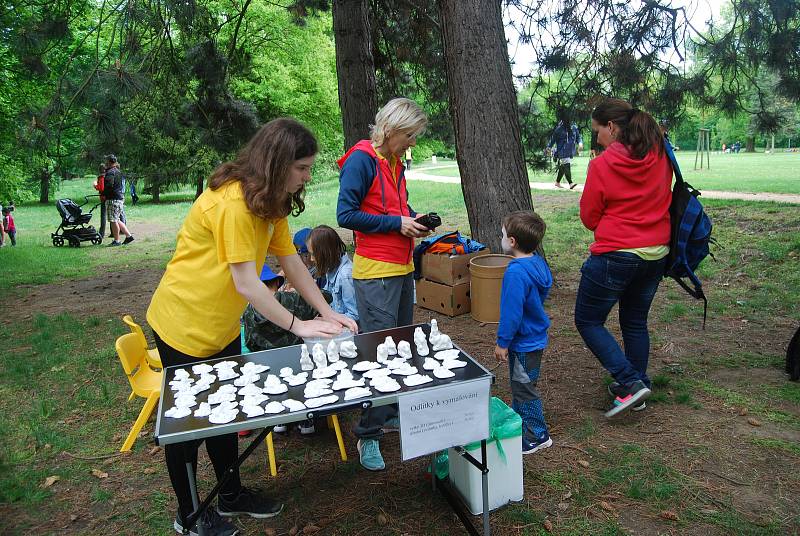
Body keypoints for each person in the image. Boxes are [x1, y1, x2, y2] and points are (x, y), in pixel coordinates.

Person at [146, 118, 358, 536]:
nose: (307, 177)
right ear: (278, 163)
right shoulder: (233, 204)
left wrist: (327, 313)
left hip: (220, 326)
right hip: (183, 325)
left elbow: (291, 263)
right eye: (302, 168)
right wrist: (299, 325)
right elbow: (247, 282)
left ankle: (230, 494)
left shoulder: (270, 201)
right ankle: (188, 515)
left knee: (226, 415)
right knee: (189, 426)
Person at [336, 97, 430, 471]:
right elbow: (346, 214)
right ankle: (367, 435)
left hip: (402, 265)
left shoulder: (393, 162)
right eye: (409, 135)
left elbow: (392, 207)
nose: (413, 143)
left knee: (400, 344)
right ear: (390, 130)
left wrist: (412, 217)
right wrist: (396, 224)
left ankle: (388, 411)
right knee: (377, 353)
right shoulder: (361, 159)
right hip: (375, 271)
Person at [574, 98, 672, 419]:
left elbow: (589, 218)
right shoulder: (660, 154)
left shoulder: (602, 165)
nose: (596, 138)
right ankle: (638, 389)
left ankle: (630, 382)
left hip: (616, 255)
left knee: (588, 320)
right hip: (656, 253)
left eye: (597, 131)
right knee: (634, 321)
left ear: (612, 127)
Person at [494, 211, 553, 454]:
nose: (501, 237)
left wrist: (502, 342)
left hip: (523, 342)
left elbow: (511, 313)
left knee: (524, 388)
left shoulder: (516, 272)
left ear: (512, 242)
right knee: (525, 382)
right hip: (535, 338)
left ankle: (537, 434)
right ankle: (523, 422)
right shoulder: (537, 262)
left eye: (503, 234)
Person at [306, 225, 358, 323]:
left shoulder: (345, 276)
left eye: (314, 254)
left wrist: (326, 320)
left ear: (325, 253)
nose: (312, 259)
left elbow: (355, 315)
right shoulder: (330, 269)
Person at [103, 155, 134, 246]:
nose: (105, 163)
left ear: (109, 162)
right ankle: (129, 236)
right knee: (116, 219)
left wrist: (104, 194)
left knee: (113, 220)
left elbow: (109, 186)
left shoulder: (110, 173)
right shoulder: (119, 172)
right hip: (120, 198)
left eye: (106, 161)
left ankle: (117, 241)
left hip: (113, 199)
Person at [548, 116, 582, 189]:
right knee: (566, 164)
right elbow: (553, 140)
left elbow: (578, 137)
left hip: (570, 150)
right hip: (562, 150)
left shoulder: (574, 127)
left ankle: (557, 182)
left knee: (563, 166)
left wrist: (580, 143)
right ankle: (570, 183)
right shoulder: (559, 129)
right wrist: (549, 147)